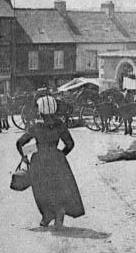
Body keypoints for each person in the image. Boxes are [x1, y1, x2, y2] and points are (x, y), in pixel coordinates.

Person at [15, 95, 85, 228]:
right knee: (58, 188)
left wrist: (27, 155)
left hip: (39, 160)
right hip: (57, 160)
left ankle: (47, 215)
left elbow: (20, 143)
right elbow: (70, 144)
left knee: (41, 190)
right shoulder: (60, 125)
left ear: (40, 110)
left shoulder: (36, 126)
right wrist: (59, 155)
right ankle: (59, 213)